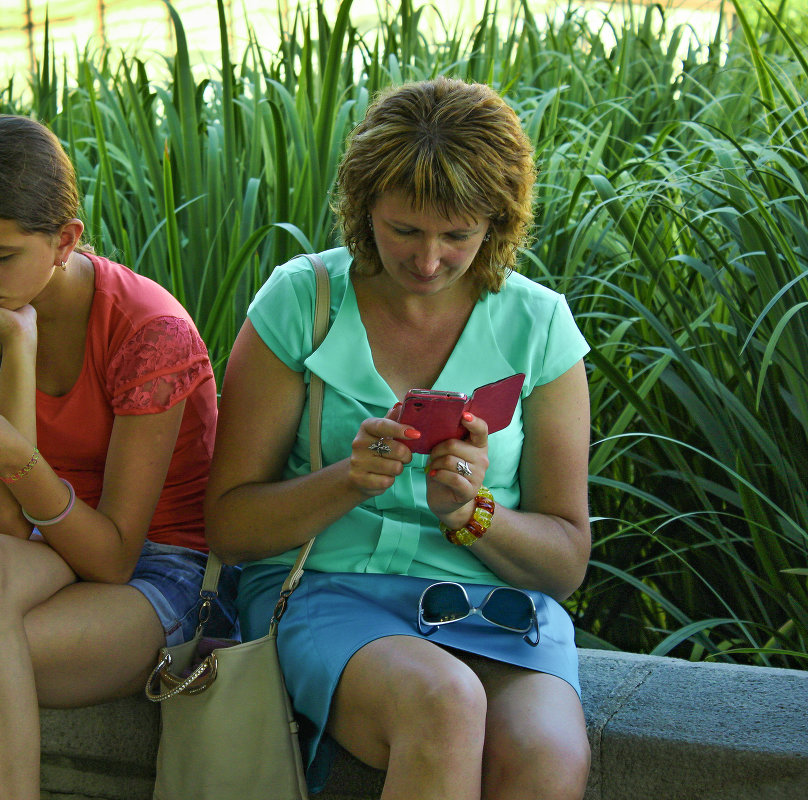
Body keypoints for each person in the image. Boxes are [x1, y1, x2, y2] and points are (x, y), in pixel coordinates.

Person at [204, 77, 592, 799]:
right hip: (321, 590)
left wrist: (472, 514)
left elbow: (566, 562)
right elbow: (230, 527)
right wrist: (345, 481)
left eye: (459, 236)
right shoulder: (302, 302)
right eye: (404, 230)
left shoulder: (539, 327)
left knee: (545, 758)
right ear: (362, 209)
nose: (429, 260)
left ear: (498, 224)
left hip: (494, 607)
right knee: (441, 702)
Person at [0, 114, 237, 800]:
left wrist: (18, 460)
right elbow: (4, 529)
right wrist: (17, 347)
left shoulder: (149, 332)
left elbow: (113, 558)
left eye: (2, 254)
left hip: (167, 574)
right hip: (49, 554)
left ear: (65, 240)